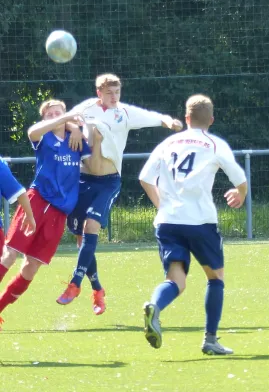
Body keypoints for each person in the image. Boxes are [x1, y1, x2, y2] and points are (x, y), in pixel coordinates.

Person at [56, 73, 183, 315]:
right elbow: (65, 120)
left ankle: (75, 283)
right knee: (82, 239)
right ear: (99, 93)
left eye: (117, 92)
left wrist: (167, 121)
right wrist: (73, 128)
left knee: (91, 226)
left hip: (108, 181)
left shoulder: (123, 113)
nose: (114, 97)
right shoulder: (87, 108)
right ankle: (98, 290)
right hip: (83, 180)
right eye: (109, 93)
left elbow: (150, 117)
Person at [139, 94, 247, 355]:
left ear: (186, 118)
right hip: (200, 222)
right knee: (215, 277)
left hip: (167, 222)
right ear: (211, 119)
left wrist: (162, 205)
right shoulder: (214, 144)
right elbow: (239, 177)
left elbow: (144, 177)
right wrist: (240, 194)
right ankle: (210, 340)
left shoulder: (168, 143)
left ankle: (155, 305)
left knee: (176, 279)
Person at [0, 99, 102, 327]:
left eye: (59, 112)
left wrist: (81, 128)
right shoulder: (44, 137)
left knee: (31, 267)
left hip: (59, 212)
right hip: (38, 201)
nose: (55, 116)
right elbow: (31, 132)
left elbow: (94, 160)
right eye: (50, 114)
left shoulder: (75, 139)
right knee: (10, 254)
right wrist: (67, 119)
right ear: (45, 118)